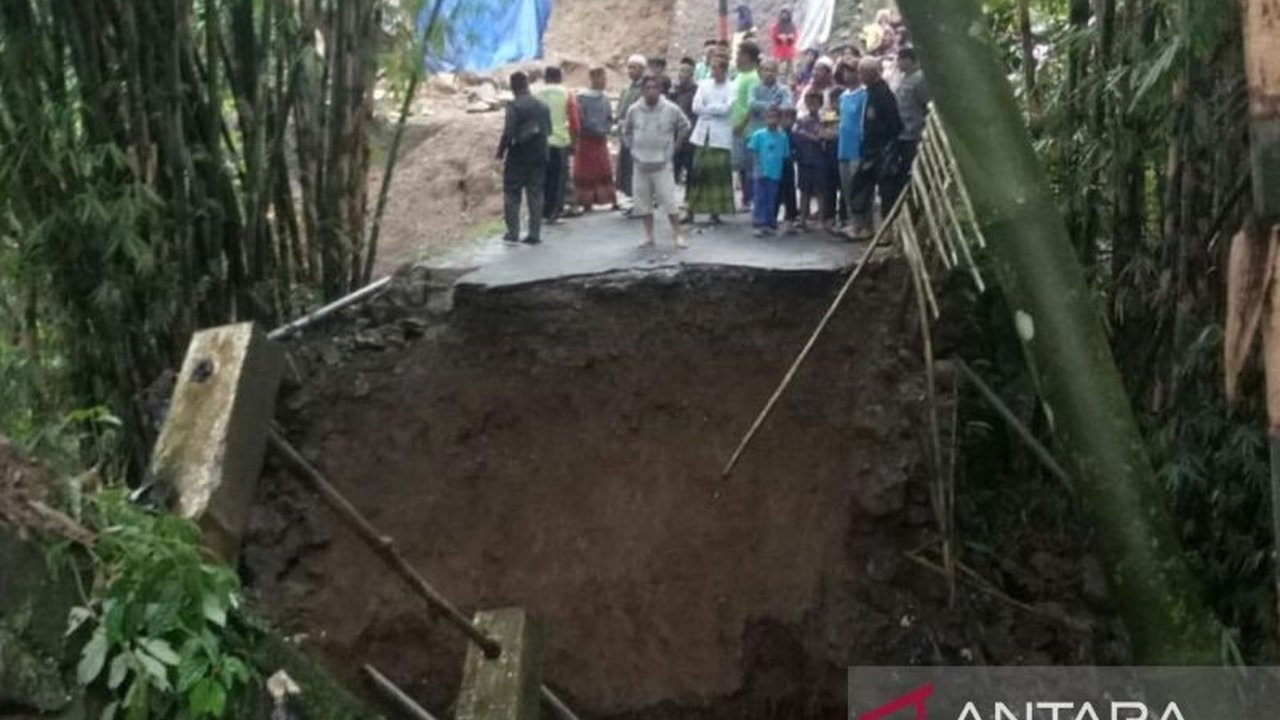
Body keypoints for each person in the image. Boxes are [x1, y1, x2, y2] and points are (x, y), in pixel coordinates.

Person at [623, 75, 693, 248]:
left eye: (655, 88)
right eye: (647, 88)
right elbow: (626, 130)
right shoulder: (634, 109)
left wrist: (676, 146)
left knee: (669, 201)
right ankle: (649, 236)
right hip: (641, 163)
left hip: (662, 163)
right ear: (642, 90)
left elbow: (685, 126)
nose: (651, 91)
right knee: (643, 203)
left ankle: (677, 235)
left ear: (660, 90)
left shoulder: (670, 108)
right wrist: (631, 149)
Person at [848, 56, 903, 239]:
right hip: (869, 149)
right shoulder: (870, 93)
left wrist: (887, 146)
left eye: (862, 72)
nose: (859, 76)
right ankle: (862, 226)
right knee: (861, 187)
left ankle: (887, 231)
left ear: (871, 72)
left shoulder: (883, 95)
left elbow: (895, 124)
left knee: (886, 191)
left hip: (882, 150)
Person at [496, 71, 551, 245]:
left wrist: (500, 151)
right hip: (540, 155)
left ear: (513, 86)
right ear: (527, 84)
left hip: (518, 156)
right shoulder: (542, 106)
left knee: (512, 193)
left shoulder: (514, 106)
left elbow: (509, 132)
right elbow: (549, 130)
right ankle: (534, 233)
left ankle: (513, 232)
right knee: (535, 193)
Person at [686, 53, 736, 224]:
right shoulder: (704, 85)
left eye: (716, 68)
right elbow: (696, 106)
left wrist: (708, 109)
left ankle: (715, 211)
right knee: (698, 172)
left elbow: (727, 109)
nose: (713, 71)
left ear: (724, 69)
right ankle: (691, 210)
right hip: (702, 134)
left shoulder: (732, 87)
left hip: (720, 137)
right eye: (711, 68)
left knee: (717, 174)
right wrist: (713, 110)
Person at [884, 47, 929, 209]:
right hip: (902, 134)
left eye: (901, 59)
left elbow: (926, 105)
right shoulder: (904, 79)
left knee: (911, 172)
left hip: (914, 134)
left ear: (910, 60)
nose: (899, 63)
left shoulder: (919, 79)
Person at [535, 66, 579, 224]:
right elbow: (574, 120)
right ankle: (554, 212)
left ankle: (542, 210)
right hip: (560, 141)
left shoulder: (537, 94)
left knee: (544, 177)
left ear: (545, 77)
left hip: (541, 142)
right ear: (560, 77)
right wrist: (575, 140)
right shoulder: (567, 93)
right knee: (559, 178)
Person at [574, 67, 618, 212]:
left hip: (600, 139)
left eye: (605, 78)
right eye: (601, 78)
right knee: (586, 171)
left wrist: (607, 127)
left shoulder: (604, 97)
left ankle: (608, 198)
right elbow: (579, 117)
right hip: (586, 139)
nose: (604, 81)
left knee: (603, 168)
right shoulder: (581, 97)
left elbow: (609, 117)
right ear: (593, 78)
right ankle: (586, 201)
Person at [746, 106, 791, 236]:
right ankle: (758, 223)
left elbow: (785, 155)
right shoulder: (759, 135)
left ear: (780, 119)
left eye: (775, 117)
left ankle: (768, 223)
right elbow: (753, 152)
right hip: (760, 172)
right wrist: (757, 168)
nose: (773, 120)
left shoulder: (782, 137)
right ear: (765, 118)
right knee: (759, 198)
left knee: (772, 199)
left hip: (775, 173)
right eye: (769, 116)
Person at [836, 68, 868, 236]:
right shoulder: (843, 96)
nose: (848, 75)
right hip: (843, 146)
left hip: (857, 147)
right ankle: (852, 221)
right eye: (846, 72)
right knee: (846, 187)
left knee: (859, 188)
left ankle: (863, 224)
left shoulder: (864, 95)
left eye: (852, 71)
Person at [731, 41, 762, 209]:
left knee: (749, 166)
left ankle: (750, 198)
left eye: (739, 55)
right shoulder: (739, 75)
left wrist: (742, 124)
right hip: (737, 128)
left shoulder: (753, 78)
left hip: (748, 129)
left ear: (748, 57)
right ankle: (745, 197)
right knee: (741, 165)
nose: (737, 58)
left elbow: (751, 105)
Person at [792, 90, 830, 230]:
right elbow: (796, 136)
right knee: (804, 190)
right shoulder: (801, 119)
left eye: (816, 102)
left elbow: (827, 136)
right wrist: (814, 137)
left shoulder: (827, 117)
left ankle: (821, 219)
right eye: (810, 102)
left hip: (821, 160)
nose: (812, 105)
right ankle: (803, 218)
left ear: (821, 103)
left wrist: (807, 135)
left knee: (821, 190)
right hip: (805, 159)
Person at [616, 55, 648, 210]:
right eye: (629, 67)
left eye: (633, 67)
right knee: (628, 169)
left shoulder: (645, 89)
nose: (630, 71)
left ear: (642, 69)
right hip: (627, 135)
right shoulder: (627, 88)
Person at [669, 57, 700, 185]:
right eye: (680, 71)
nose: (681, 75)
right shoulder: (674, 92)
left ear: (692, 75)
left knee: (690, 166)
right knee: (673, 167)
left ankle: (689, 198)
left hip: (691, 134)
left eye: (685, 72)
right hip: (675, 134)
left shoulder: (696, 91)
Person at [777, 107, 800, 232]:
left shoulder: (794, 134)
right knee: (776, 192)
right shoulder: (777, 134)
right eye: (785, 118)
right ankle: (772, 218)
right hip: (776, 167)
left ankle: (790, 219)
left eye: (791, 118)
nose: (788, 121)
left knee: (790, 192)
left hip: (789, 166)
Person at [769, 7, 799, 78]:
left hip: (790, 52)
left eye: (786, 14)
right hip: (779, 52)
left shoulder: (792, 26)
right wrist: (779, 37)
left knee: (791, 72)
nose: (784, 16)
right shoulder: (776, 26)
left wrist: (790, 38)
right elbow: (773, 36)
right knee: (778, 70)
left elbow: (795, 36)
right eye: (783, 14)